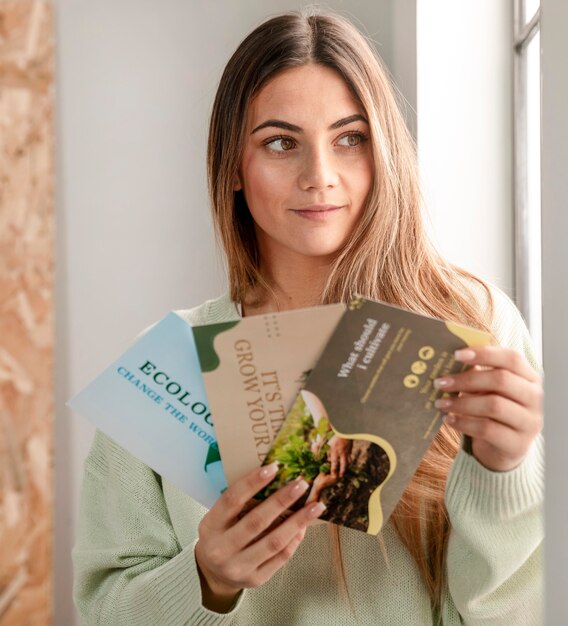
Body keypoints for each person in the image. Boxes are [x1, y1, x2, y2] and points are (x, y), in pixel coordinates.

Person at [73, 10, 544, 625]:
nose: (319, 176)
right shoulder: (167, 363)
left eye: (351, 138)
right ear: (233, 168)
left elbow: (524, 612)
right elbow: (103, 610)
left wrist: (504, 474)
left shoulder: (472, 324)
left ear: (385, 154)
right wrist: (206, 579)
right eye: (279, 142)